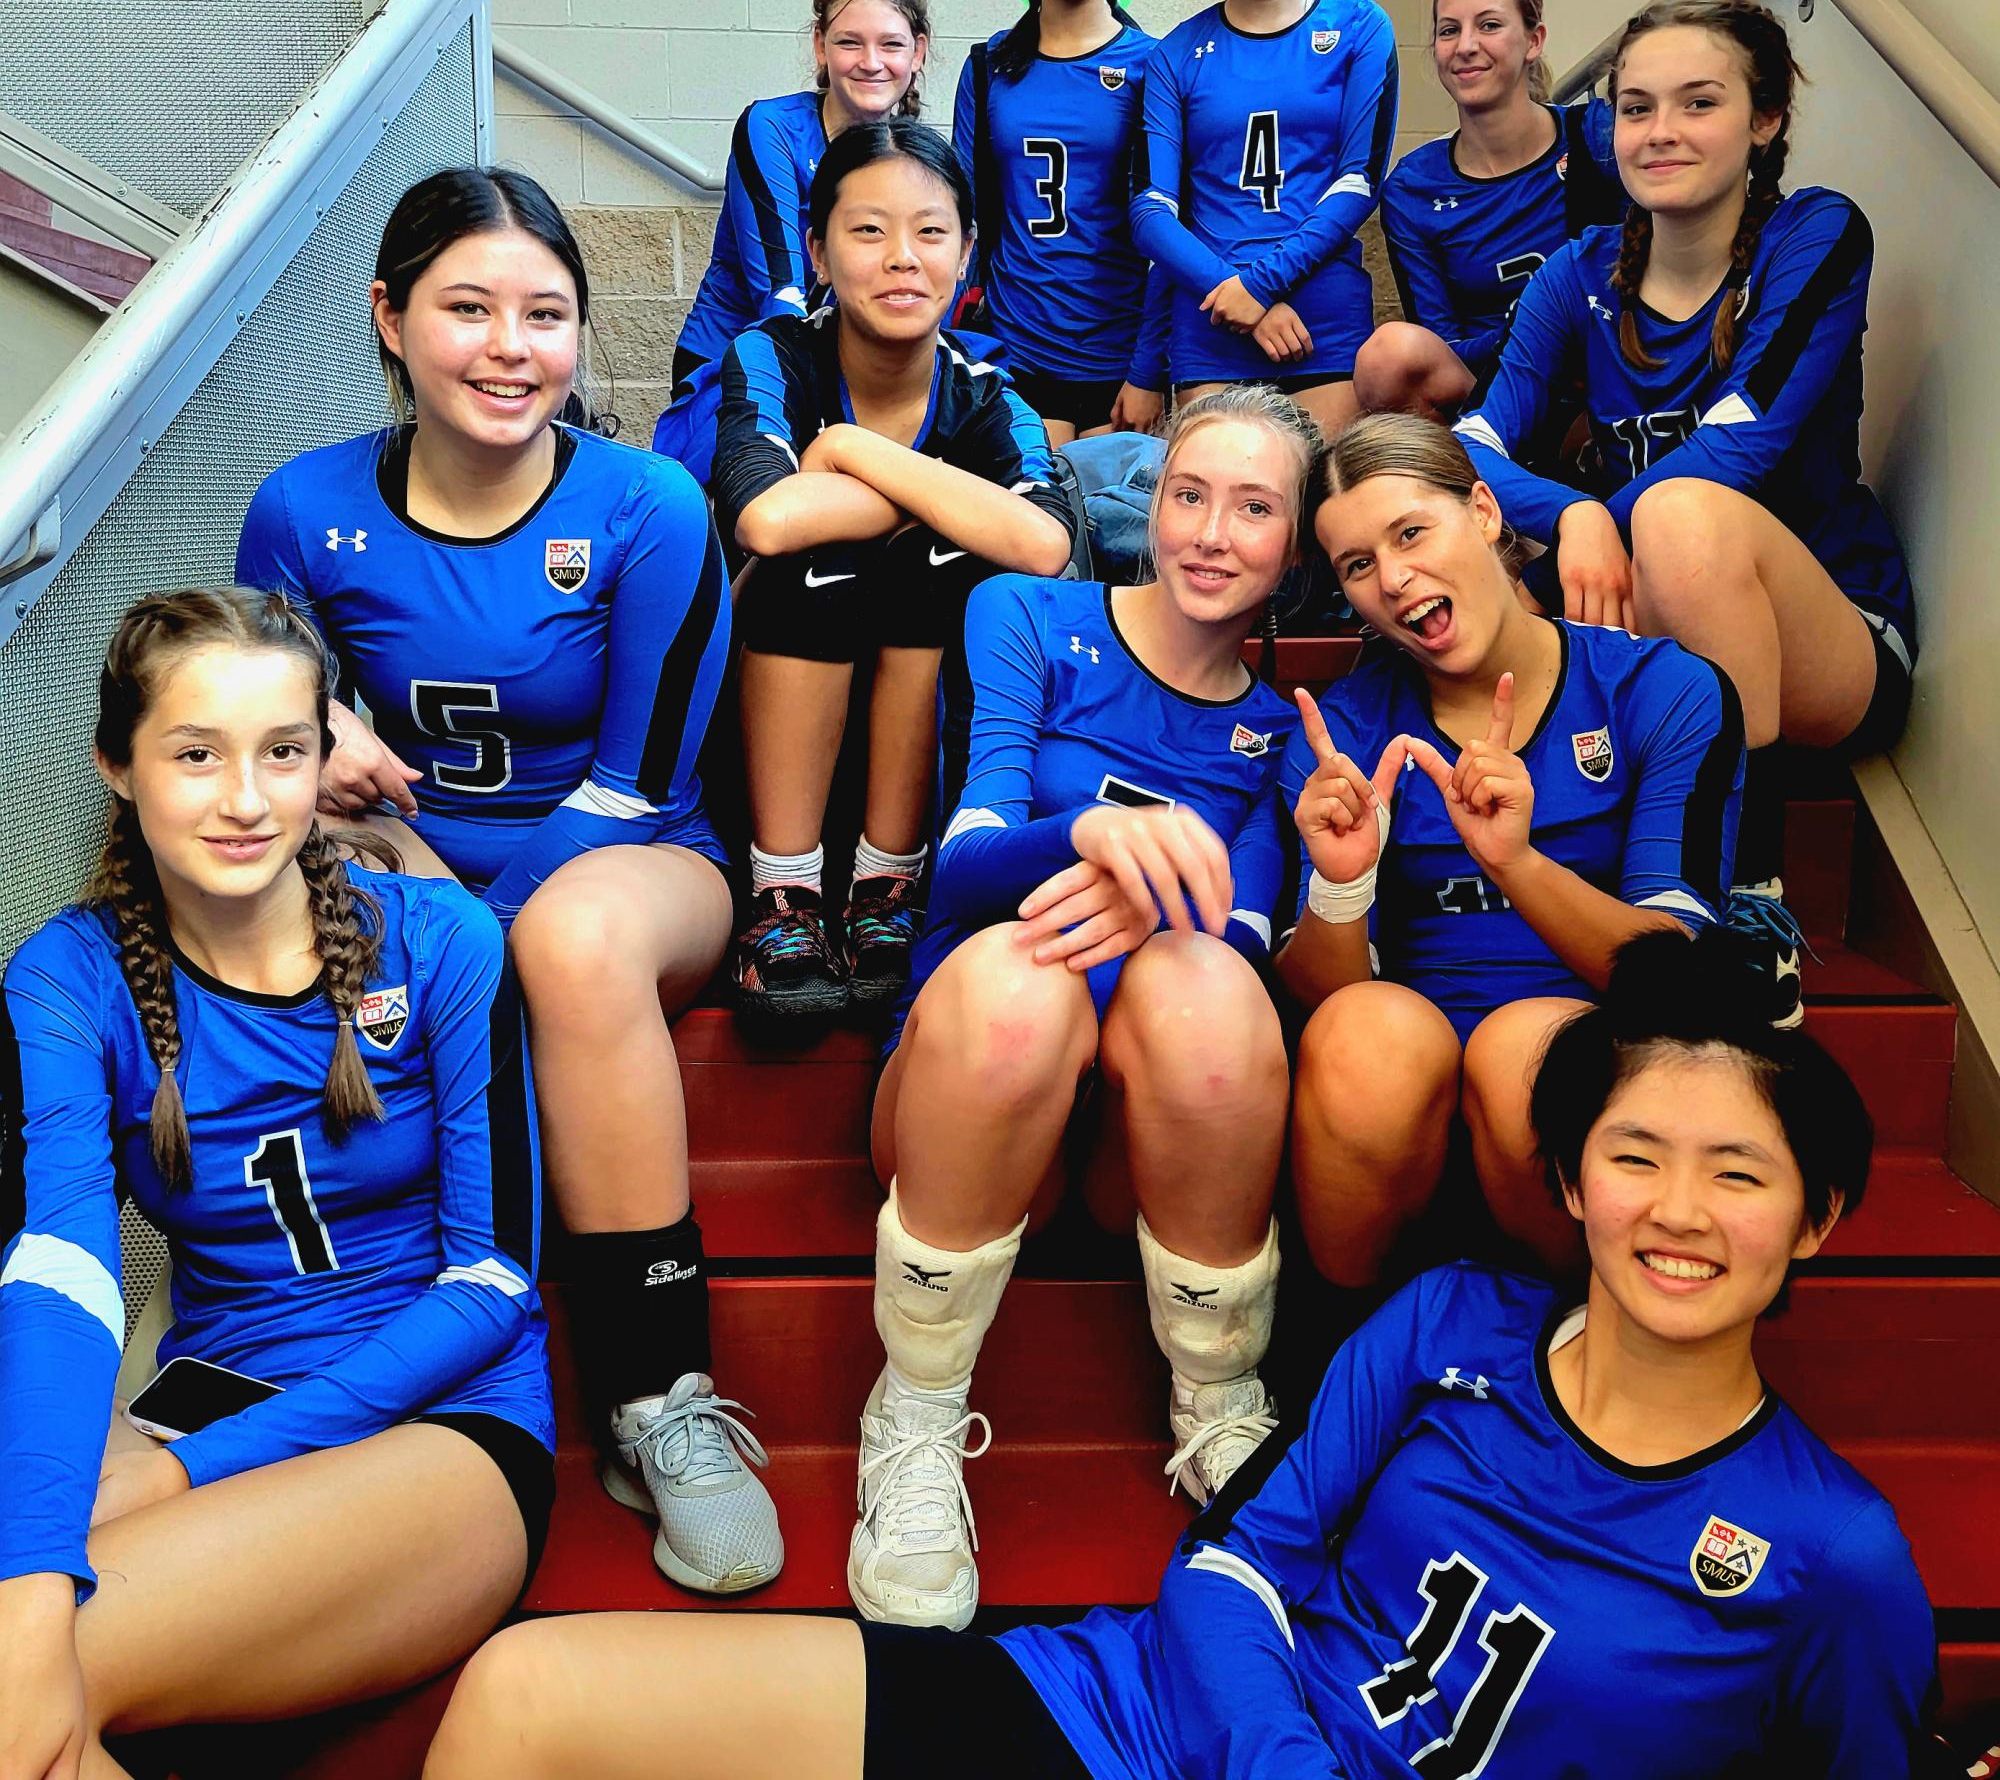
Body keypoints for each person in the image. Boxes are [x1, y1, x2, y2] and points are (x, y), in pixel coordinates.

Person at [422, 929, 1935, 1780]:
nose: (1678, 1212)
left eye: (1739, 1174)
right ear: (1571, 1178)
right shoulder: (1457, 1320)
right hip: (1126, 1718)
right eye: (1638, 1156)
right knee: (531, 1698)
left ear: (1817, 1224)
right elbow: (1229, 1567)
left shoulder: (1829, 1554)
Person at [234, 168, 779, 1597]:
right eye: (466, 308)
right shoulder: (301, 508)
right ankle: (321, 1351)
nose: (507, 345)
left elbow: (637, 780)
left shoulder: (651, 505)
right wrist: (314, 732)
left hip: (635, 864)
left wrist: (462, 922)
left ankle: (662, 1391)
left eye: (544, 313)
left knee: (574, 946)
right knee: (286, 912)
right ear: (390, 319)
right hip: (402, 861)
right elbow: (262, 747)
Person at [0, 587, 549, 1780]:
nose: (247, 800)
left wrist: (181, 1470)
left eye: (284, 752)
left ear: (321, 758)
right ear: (116, 763)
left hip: (441, 1423)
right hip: (209, 1392)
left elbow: (493, 1280)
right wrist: (41, 1550)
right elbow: (63, 1264)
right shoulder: (66, 977)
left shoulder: (440, 939)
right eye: (195, 754)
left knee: (37, 1670)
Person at [846, 385, 1312, 1631]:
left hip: (1135, 1157)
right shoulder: (1031, 615)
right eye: (1188, 494)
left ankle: (1216, 1396)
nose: (1212, 532)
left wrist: (1163, 908)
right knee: (1016, 974)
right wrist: (1098, 832)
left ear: (1295, 544)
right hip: (969, 1091)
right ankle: (916, 1415)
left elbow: (1250, 942)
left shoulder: (1282, 735)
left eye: (1253, 507)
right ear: (1148, 506)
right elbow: (963, 863)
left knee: (1207, 982)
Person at [1452, 0, 1915, 1022]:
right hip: (1654, 626)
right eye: (1633, 107)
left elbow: (1738, 449)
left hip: (1824, 641)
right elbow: (1470, 444)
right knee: (1458, 563)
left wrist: (1588, 514)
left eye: (1696, 103)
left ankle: (1747, 895)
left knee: (1680, 516)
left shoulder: (1815, 234)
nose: (1657, 132)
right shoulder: (1577, 274)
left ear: (1763, 120)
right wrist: (1569, 519)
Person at [1280, 414, 1743, 1280]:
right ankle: (1340, 1350)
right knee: (1365, 1033)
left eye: (1411, 532)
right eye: (1357, 565)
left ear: (1485, 512)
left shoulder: (1662, 688)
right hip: (1391, 1115)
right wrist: (1341, 885)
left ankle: (1573, 1341)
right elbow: (1316, 1000)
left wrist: (1516, 863)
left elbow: (1678, 976)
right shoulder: (1340, 734)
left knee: (1522, 1047)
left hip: (1593, 1089)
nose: (1395, 578)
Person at [707, 119, 1077, 1022]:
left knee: (938, 562)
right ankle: (782, 896)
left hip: (926, 699)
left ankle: (888, 885)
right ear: (818, 253)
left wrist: (844, 451)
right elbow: (770, 515)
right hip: (778, 671)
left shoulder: (987, 390)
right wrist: (945, 490)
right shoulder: (772, 356)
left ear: (967, 254)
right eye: (868, 231)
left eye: (930, 231)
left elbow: (1044, 544)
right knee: (820, 560)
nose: (902, 258)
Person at [1130, 0, 1398, 439]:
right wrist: (1237, 295)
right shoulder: (1175, 54)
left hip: (1320, 326)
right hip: (1211, 317)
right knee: (1216, 520)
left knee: (1314, 518)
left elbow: (1358, 182)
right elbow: (1151, 212)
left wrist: (1261, 284)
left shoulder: (1359, 27)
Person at [952, 0, 1168, 443]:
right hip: (1014, 352)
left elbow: (1174, 226)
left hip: (1120, 363)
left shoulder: (1156, 65)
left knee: (1107, 529)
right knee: (1030, 525)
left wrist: (1149, 369)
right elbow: (962, 217)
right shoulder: (988, 68)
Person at [1364, 0, 1623, 421]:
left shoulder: (1598, 139)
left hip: (1601, 382)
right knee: (1390, 351)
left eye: (1488, 25)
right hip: (1488, 392)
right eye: (1448, 30)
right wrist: (1533, 325)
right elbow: (1442, 344)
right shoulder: (1413, 187)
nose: (1465, 46)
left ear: (1533, 40)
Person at [674, 0, 931, 389]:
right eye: (849, 43)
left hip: (849, 371)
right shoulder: (771, 128)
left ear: (917, 53)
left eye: (891, 45)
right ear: (820, 46)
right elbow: (778, 291)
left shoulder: (915, 156)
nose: (871, 63)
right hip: (734, 359)